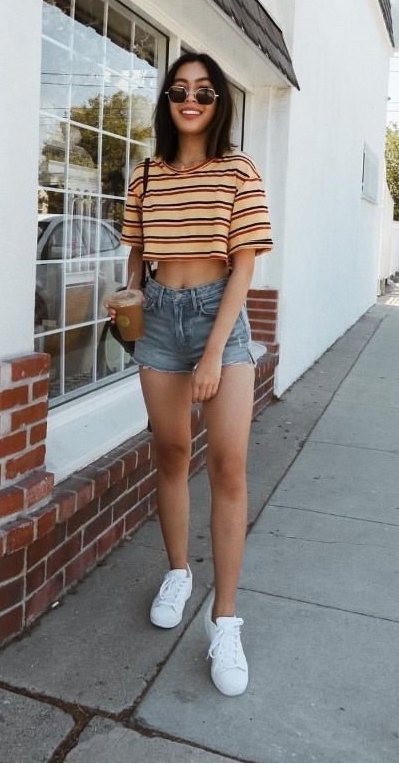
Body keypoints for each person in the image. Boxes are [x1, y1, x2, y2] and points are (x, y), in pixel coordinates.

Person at [108, 52, 273, 696]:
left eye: (204, 91)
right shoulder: (147, 175)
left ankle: (224, 617)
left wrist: (211, 354)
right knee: (171, 452)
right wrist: (127, 297)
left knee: (228, 465)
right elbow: (138, 254)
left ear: (219, 103)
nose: (191, 98)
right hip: (159, 319)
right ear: (168, 101)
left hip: (218, 321)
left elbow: (245, 265)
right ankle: (178, 571)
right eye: (180, 89)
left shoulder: (239, 171)